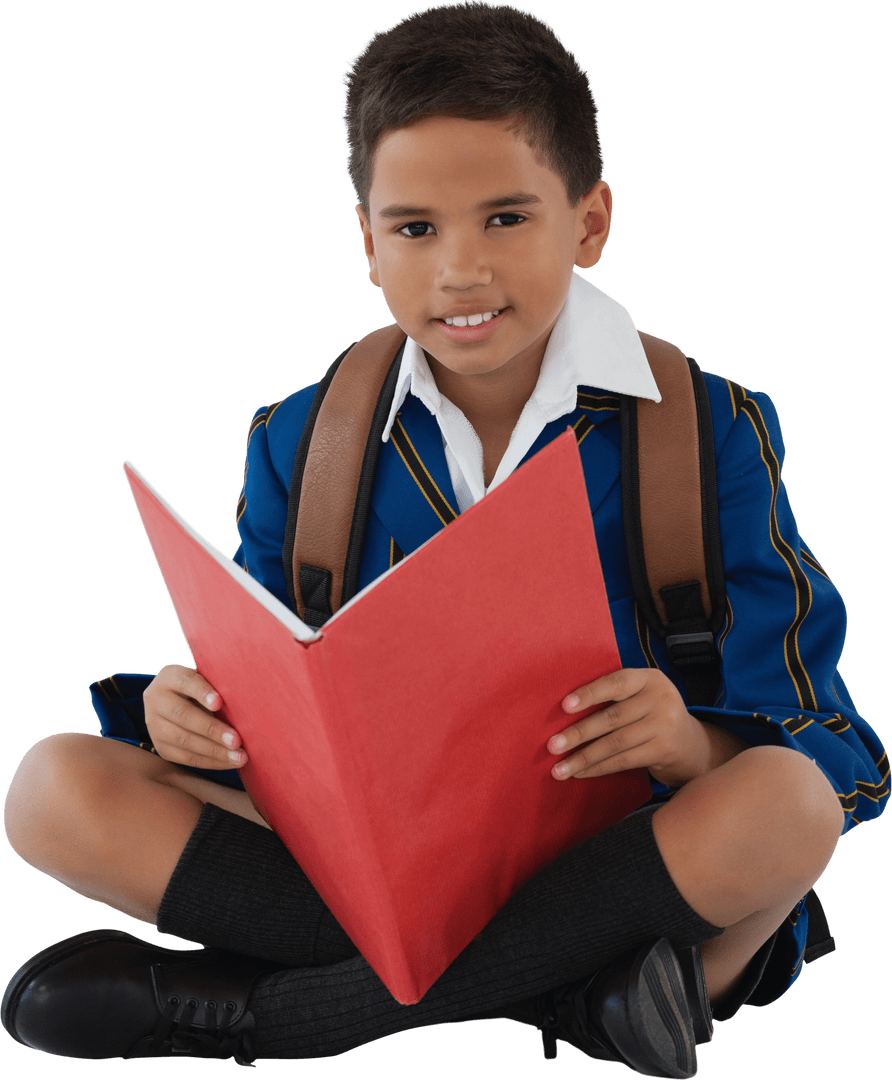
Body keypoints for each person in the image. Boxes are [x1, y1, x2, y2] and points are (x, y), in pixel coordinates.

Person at [2, 3, 887, 1075]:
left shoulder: (705, 430)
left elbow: (840, 749)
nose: (460, 271)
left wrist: (687, 742)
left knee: (789, 804)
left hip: (631, 862)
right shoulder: (307, 435)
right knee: (52, 788)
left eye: (506, 219)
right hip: (382, 866)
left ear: (589, 221)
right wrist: (189, 716)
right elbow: (271, 678)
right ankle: (582, 1002)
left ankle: (275, 1016)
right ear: (368, 244)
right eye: (416, 228)